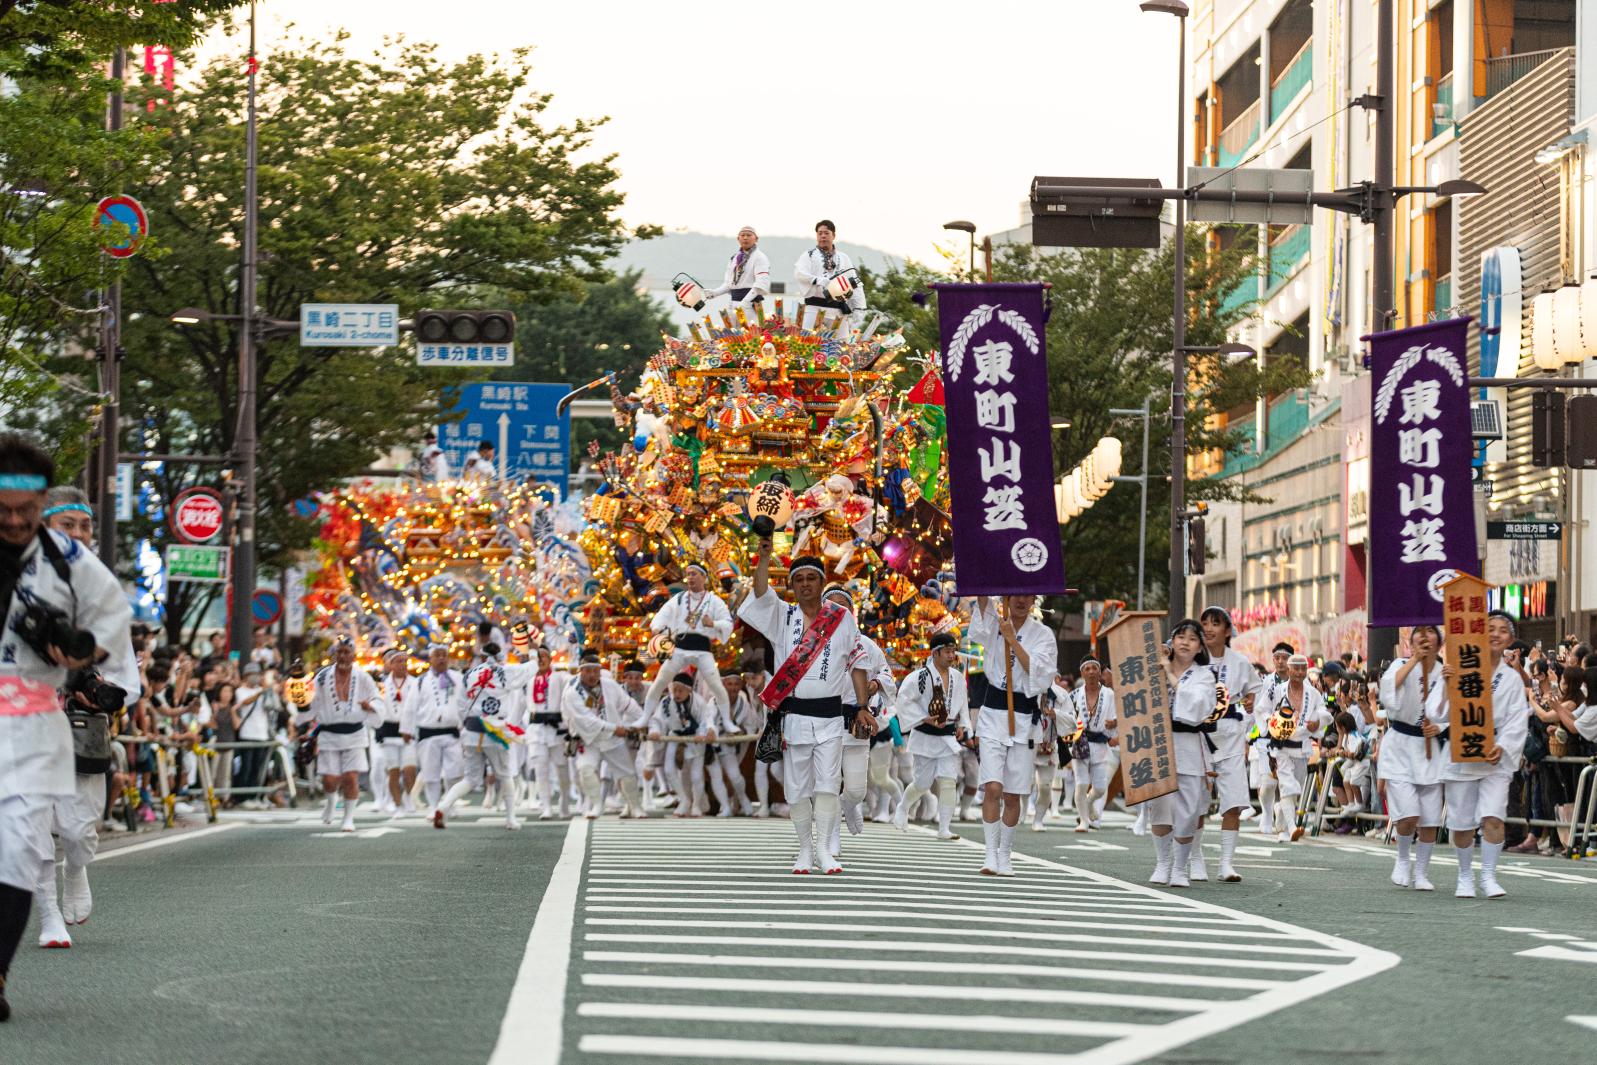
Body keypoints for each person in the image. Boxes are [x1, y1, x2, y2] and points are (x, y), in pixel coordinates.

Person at [0, 435, 135, 1019]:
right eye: (1, 510)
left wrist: (81, 658)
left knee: (22, 848)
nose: (12, 521)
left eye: (24, 513)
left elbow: (112, 625)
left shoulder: (70, 562)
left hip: (32, 720)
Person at [31, 485, 138, 950]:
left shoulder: (102, 597)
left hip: (80, 731)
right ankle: (48, 915)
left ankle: (76, 870)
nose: (77, 533)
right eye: (65, 525)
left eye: (83, 525)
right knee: (29, 829)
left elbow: (126, 678)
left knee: (77, 829)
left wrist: (103, 694)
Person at [738, 542, 871, 875]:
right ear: (792, 585)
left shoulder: (841, 619)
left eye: (813, 578)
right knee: (797, 789)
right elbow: (759, 591)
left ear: (821, 583)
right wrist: (765, 557)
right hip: (794, 716)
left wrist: (863, 706)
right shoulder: (782, 615)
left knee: (827, 785)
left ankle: (825, 850)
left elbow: (856, 663)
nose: (806, 584)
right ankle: (803, 851)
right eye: (800, 580)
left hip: (830, 716)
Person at [1442, 611, 1535, 899]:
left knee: (1494, 817)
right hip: (1463, 750)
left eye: (1502, 630)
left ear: (1511, 639)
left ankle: (1489, 876)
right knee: (1462, 821)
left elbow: (1518, 719)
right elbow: (1437, 712)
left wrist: (1504, 746)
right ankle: (1465, 875)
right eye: (1489, 628)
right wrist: (1447, 685)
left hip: (1495, 756)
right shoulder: (1463, 667)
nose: (1495, 634)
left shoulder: (1511, 679)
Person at [966, 594, 1060, 877]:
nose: (1020, 600)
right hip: (993, 714)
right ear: (1006, 596)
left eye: (1026, 595)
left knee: (1013, 793)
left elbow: (1041, 676)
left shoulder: (1043, 634)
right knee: (992, 787)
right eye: (1014, 594)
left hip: (1023, 718)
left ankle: (1006, 853)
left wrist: (1013, 639)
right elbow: (978, 626)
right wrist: (983, 590)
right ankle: (990, 854)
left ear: (1034, 599)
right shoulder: (996, 621)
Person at [1148, 620, 1220, 888]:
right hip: (1159, 740)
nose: (1185, 642)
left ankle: (1180, 867)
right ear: (1172, 641)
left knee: (1189, 809)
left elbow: (1198, 706)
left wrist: (1171, 675)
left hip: (1189, 742)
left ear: (1200, 646)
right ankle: (1162, 863)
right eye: (1180, 636)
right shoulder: (1156, 666)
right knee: (1160, 806)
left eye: (1192, 638)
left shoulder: (1204, 674)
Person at [1377, 624, 1447, 890]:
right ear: (1412, 639)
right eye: (1421, 631)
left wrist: (1439, 727)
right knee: (1407, 814)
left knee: (1429, 819)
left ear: (1440, 642)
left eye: (1432, 632)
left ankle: (1422, 873)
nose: (1426, 636)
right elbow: (1388, 692)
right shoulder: (1400, 664)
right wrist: (1416, 659)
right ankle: (1403, 860)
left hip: (1430, 749)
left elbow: (1453, 713)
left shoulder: (1444, 672)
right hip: (1400, 747)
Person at [437, 644, 535, 829]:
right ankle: (510, 818)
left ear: (482, 657)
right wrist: (534, 653)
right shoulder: (505, 672)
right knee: (505, 776)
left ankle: (443, 806)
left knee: (470, 779)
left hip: (472, 730)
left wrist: (466, 723)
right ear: (499, 657)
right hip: (495, 731)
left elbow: (460, 705)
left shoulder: (469, 675)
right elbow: (530, 669)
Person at [1198, 606, 1260, 883]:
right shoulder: (1193, 659)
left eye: (1215, 623)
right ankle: (1195, 859)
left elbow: (1257, 693)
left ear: (1227, 630)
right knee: (1196, 803)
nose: (1209, 628)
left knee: (1233, 802)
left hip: (1232, 736)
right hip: (1199, 736)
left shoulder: (1240, 662)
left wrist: (1250, 703)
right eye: (1205, 623)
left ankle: (1226, 863)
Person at [295, 637, 380, 832]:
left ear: (353, 655)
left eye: (346, 652)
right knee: (330, 779)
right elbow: (311, 703)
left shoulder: (363, 677)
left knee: (351, 777)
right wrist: (303, 717)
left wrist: (371, 706)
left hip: (354, 732)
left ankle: (348, 818)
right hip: (329, 733)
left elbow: (376, 698)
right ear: (335, 654)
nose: (342, 656)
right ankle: (331, 801)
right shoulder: (322, 677)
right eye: (339, 652)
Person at [894, 633, 970, 840]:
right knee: (922, 783)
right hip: (925, 735)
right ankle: (903, 807)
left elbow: (963, 703)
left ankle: (944, 827)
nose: (952, 655)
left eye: (953, 651)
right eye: (947, 651)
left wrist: (963, 724)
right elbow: (903, 701)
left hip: (947, 736)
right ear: (935, 653)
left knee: (948, 781)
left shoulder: (957, 677)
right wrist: (923, 717)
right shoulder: (919, 677)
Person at [645, 563, 734, 718]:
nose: (690, 577)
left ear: (704, 578)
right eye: (688, 574)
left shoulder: (714, 601)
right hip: (680, 647)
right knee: (660, 682)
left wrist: (713, 623)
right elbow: (662, 616)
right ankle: (645, 717)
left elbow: (728, 623)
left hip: (702, 649)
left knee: (717, 686)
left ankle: (727, 720)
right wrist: (658, 628)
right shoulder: (679, 598)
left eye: (694, 574)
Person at [563, 651, 646, 819]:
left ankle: (635, 807)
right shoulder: (572, 693)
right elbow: (587, 720)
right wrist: (614, 728)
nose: (593, 675)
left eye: (596, 670)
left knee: (627, 772)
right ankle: (596, 805)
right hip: (587, 739)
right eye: (588, 671)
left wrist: (643, 723)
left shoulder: (609, 685)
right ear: (581, 671)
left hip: (612, 739)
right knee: (585, 770)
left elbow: (628, 704)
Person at [1261, 654, 1332, 843]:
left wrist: (1316, 724)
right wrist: (1271, 722)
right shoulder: (1277, 690)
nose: (1300, 672)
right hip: (1282, 745)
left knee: (1295, 788)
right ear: (1289, 670)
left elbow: (1324, 713)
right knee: (1287, 785)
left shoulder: (1313, 694)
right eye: (1297, 668)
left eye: (1303, 669)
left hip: (1302, 746)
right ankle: (1292, 828)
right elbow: (1263, 709)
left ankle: (1281, 820)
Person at [398, 645, 465, 820]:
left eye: (444, 655)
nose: (442, 658)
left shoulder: (458, 678)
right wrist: (406, 729)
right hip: (428, 732)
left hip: (452, 732)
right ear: (430, 659)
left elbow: (466, 703)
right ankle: (434, 806)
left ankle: (449, 805)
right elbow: (410, 708)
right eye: (438, 655)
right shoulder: (420, 681)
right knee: (430, 773)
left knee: (454, 772)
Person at [1066, 657, 1119, 835]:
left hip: (1100, 743)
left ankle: (1088, 803)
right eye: (1086, 669)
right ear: (1082, 673)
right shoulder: (1074, 695)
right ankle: (1083, 821)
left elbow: (1119, 716)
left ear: (1099, 672)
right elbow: (1066, 719)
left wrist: (1114, 724)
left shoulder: (1110, 694)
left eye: (1094, 668)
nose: (1090, 672)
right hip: (1079, 743)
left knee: (1100, 787)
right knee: (1081, 784)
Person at [525, 647, 573, 819]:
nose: (540, 660)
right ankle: (546, 806)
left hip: (556, 727)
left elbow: (574, 681)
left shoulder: (559, 677)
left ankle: (564, 804)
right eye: (537, 657)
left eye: (544, 656)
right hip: (536, 729)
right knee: (540, 770)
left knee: (562, 768)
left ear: (550, 659)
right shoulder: (529, 679)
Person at [794, 219, 866, 321]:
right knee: (809, 337)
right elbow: (800, 274)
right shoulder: (808, 255)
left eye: (826, 233)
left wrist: (859, 307)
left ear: (833, 236)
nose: (823, 236)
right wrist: (817, 280)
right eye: (820, 233)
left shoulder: (844, 257)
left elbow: (855, 282)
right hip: (813, 308)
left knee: (841, 338)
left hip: (838, 309)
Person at [375, 650, 419, 815]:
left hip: (408, 730)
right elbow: (378, 708)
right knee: (393, 771)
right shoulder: (382, 686)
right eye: (398, 662)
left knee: (409, 770)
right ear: (390, 665)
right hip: (388, 730)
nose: (402, 665)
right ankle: (398, 804)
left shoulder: (415, 683)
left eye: (404, 662)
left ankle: (409, 797)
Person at [706, 225, 771, 306]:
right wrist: (715, 292)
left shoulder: (760, 257)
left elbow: (761, 283)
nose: (745, 238)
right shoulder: (734, 258)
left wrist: (746, 301)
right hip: (733, 303)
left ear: (756, 239)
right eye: (742, 235)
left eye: (749, 235)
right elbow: (729, 283)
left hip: (752, 304)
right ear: (738, 238)